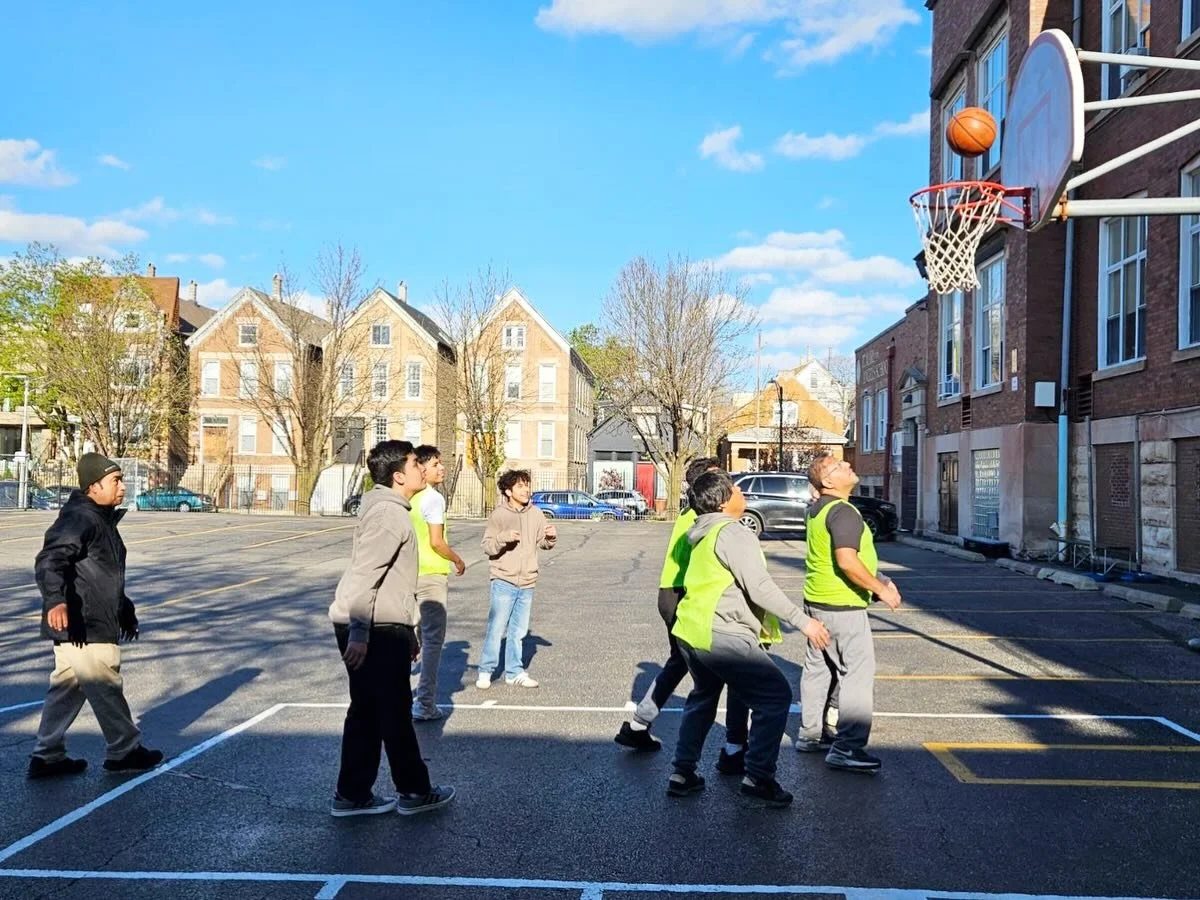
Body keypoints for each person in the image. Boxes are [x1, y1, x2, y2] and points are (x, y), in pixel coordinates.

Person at [668, 471, 831, 807]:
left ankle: (682, 773)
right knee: (774, 696)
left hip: (692, 630)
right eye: (736, 489)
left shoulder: (701, 532)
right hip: (722, 632)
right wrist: (804, 622)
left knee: (703, 696)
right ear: (723, 501)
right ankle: (758, 777)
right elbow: (759, 587)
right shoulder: (731, 532)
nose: (742, 493)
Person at [328, 440, 455, 816]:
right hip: (372, 625)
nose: (423, 469)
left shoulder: (391, 509)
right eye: (416, 464)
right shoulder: (389, 515)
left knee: (367, 712)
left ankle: (352, 794)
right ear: (399, 476)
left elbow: (392, 581)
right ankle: (415, 791)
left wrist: (409, 630)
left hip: (382, 623)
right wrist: (360, 634)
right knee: (393, 712)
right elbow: (365, 577)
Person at [27, 453, 164, 779]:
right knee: (105, 684)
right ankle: (125, 750)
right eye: (115, 481)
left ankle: (47, 755)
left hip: (84, 622)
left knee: (67, 687)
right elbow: (50, 560)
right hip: (84, 624)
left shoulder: (100, 520)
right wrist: (56, 600)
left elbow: (102, 575)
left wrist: (125, 610)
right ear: (93, 486)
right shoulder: (80, 518)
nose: (122, 487)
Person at [616, 457, 757, 769]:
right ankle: (732, 746)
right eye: (718, 478)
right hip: (681, 593)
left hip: (675, 592)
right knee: (720, 671)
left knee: (682, 663)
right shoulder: (700, 518)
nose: (727, 484)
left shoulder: (694, 514)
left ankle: (640, 725)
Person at [798, 454, 902, 774]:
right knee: (856, 674)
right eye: (839, 466)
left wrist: (879, 578)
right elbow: (846, 560)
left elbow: (838, 558)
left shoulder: (818, 509)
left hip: (817, 600)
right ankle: (848, 747)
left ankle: (811, 734)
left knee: (819, 670)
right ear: (828, 481)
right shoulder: (842, 511)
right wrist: (881, 589)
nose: (848, 465)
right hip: (842, 606)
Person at [477, 469, 556, 689]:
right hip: (503, 579)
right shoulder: (499, 515)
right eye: (520, 486)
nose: (526, 490)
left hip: (527, 581)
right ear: (508, 491)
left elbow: (543, 543)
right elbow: (488, 546)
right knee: (496, 628)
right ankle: (486, 670)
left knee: (518, 632)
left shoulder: (536, 514)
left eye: (527, 485)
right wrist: (504, 538)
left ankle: (514, 672)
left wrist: (550, 538)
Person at [410, 445, 466, 722]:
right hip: (430, 575)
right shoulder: (433, 498)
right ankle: (425, 703)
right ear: (421, 468)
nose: (441, 468)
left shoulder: (409, 497)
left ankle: (397, 698)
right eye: (435, 464)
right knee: (432, 641)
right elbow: (436, 541)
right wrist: (457, 559)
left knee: (408, 638)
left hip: (407, 574)